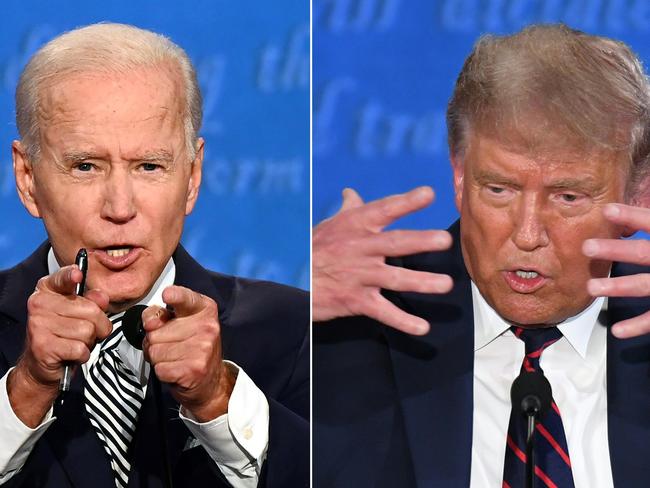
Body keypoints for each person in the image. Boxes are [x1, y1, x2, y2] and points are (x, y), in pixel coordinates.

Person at [313, 24, 650, 488]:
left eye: (568, 197)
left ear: (638, 196)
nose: (528, 234)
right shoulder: (350, 331)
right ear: (458, 175)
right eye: (499, 189)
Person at [0, 23, 308, 488]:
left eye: (149, 166)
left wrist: (218, 401)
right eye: (86, 166)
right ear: (27, 179)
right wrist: (25, 391)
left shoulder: (298, 332)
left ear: (191, 176)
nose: (120, 209)